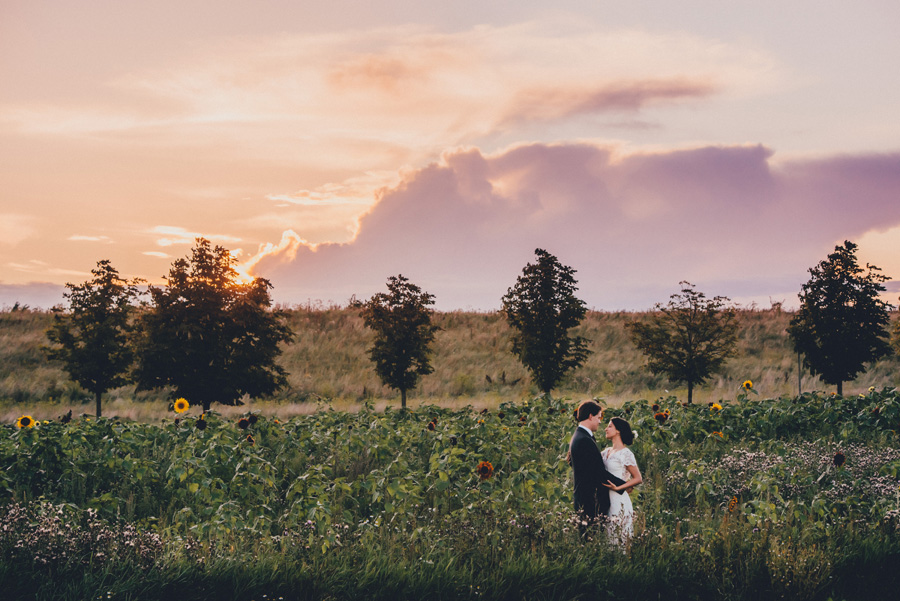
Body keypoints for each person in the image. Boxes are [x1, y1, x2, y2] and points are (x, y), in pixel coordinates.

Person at [568, 400, 626, 527]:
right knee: (591, 539)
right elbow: (598, 472)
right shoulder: (584, 440)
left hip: (583, 497)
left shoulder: (578, 436)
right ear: (590, 416)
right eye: (598, 417)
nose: (600, 421)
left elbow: (572, 461)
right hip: (589, 500)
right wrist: (624, 485)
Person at [601, 417, 642, 544]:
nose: (606, 429)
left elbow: (638, 478)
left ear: (618, 431)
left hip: (619, 499)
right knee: (606, 536)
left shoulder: (625, 453)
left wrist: (619, 487)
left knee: (618, 537)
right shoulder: (606, 452)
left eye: (609, 426)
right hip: (605, 498)